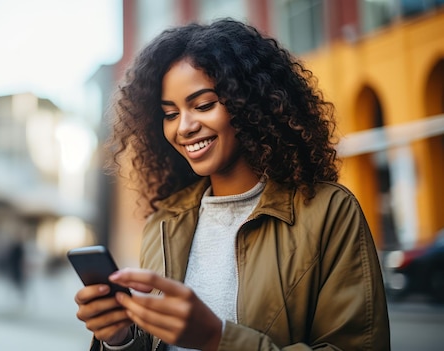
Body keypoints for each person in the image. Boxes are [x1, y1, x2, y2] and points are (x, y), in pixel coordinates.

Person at [74, 18, 390, 351]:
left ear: (250, 103)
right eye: (170, 113)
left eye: (204, 105)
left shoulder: (328, 211)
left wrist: (217, 338)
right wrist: (119, 339)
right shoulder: (164, 223)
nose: (184, 127)